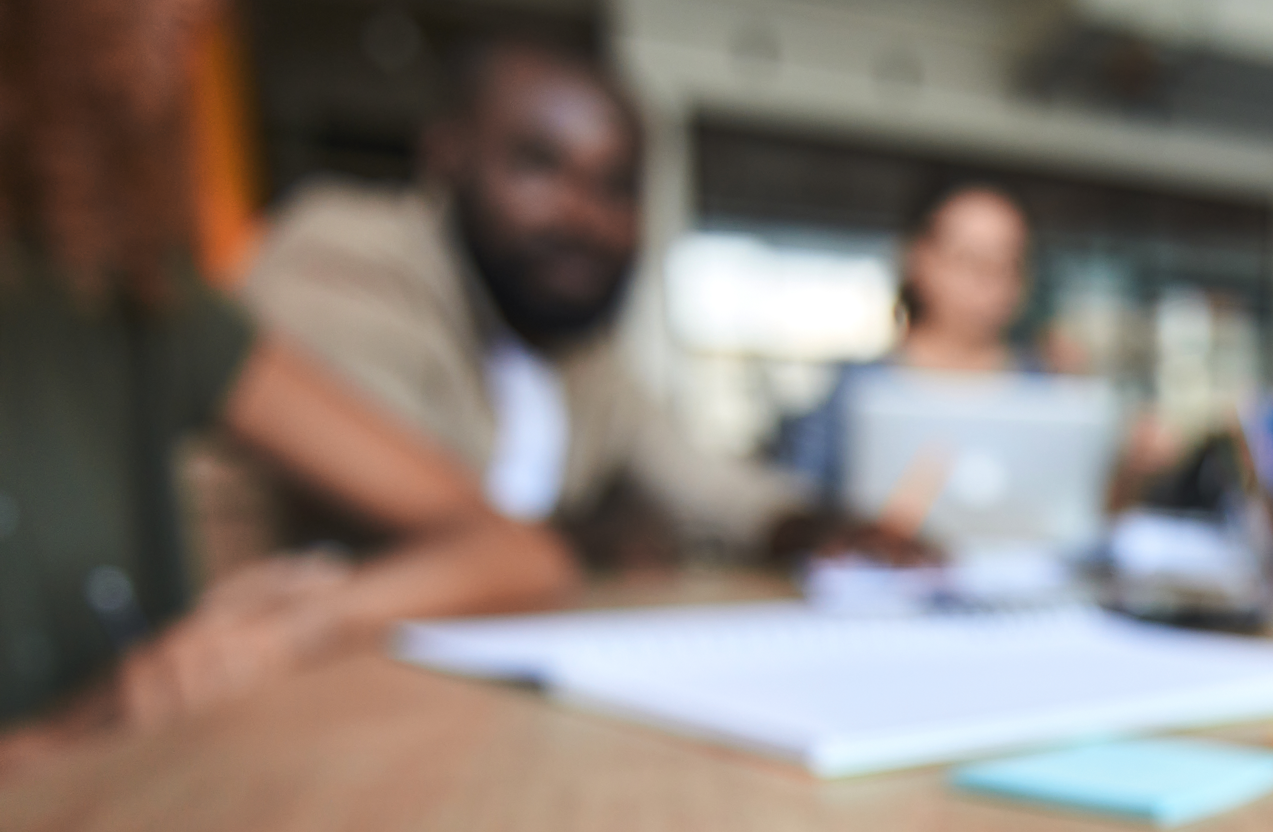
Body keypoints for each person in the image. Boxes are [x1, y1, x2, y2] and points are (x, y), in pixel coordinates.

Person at [0, 0, 573, 761]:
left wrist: (293, 625)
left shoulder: (126, 288)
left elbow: (518, 553)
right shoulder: (343, 256)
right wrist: (88, 721)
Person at [237, 39, 801, 564]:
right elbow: (429, 522)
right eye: (538, 165)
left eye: (617, 186)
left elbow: (701, 480)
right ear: (446, 156)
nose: (583, 217)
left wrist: (811, 529)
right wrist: (599, 533)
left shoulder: (566, 342)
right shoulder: (346, 259)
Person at [778, 176, 1041, 549]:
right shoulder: (856, 388)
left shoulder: (1047, 388)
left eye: (1008, 262)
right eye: (971, 260)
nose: (990, 280)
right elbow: (790, 509)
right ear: (919, 259)